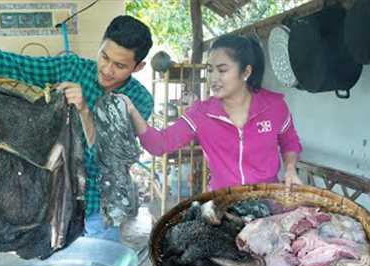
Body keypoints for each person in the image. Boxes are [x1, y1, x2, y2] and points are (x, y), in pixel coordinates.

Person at [0, 15, 154, 241]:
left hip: (100, 210)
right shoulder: (73, 69)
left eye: (120, 65)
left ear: (138, 66)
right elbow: (15, 64)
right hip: (55, 204)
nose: (107, 69)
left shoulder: (138, 101)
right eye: (104, 57)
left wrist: (84, 112)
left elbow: (107, 158)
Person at [124, 34, 303, 190]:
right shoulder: (201, 114)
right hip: (224, 204)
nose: (213, 78)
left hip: (268, 200)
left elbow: (290, 142)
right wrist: (131, 110)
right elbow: (160, 144)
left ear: (246, 71)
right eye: (210, 70)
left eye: (222, 70)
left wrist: (289, 168)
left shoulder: (274, 106)